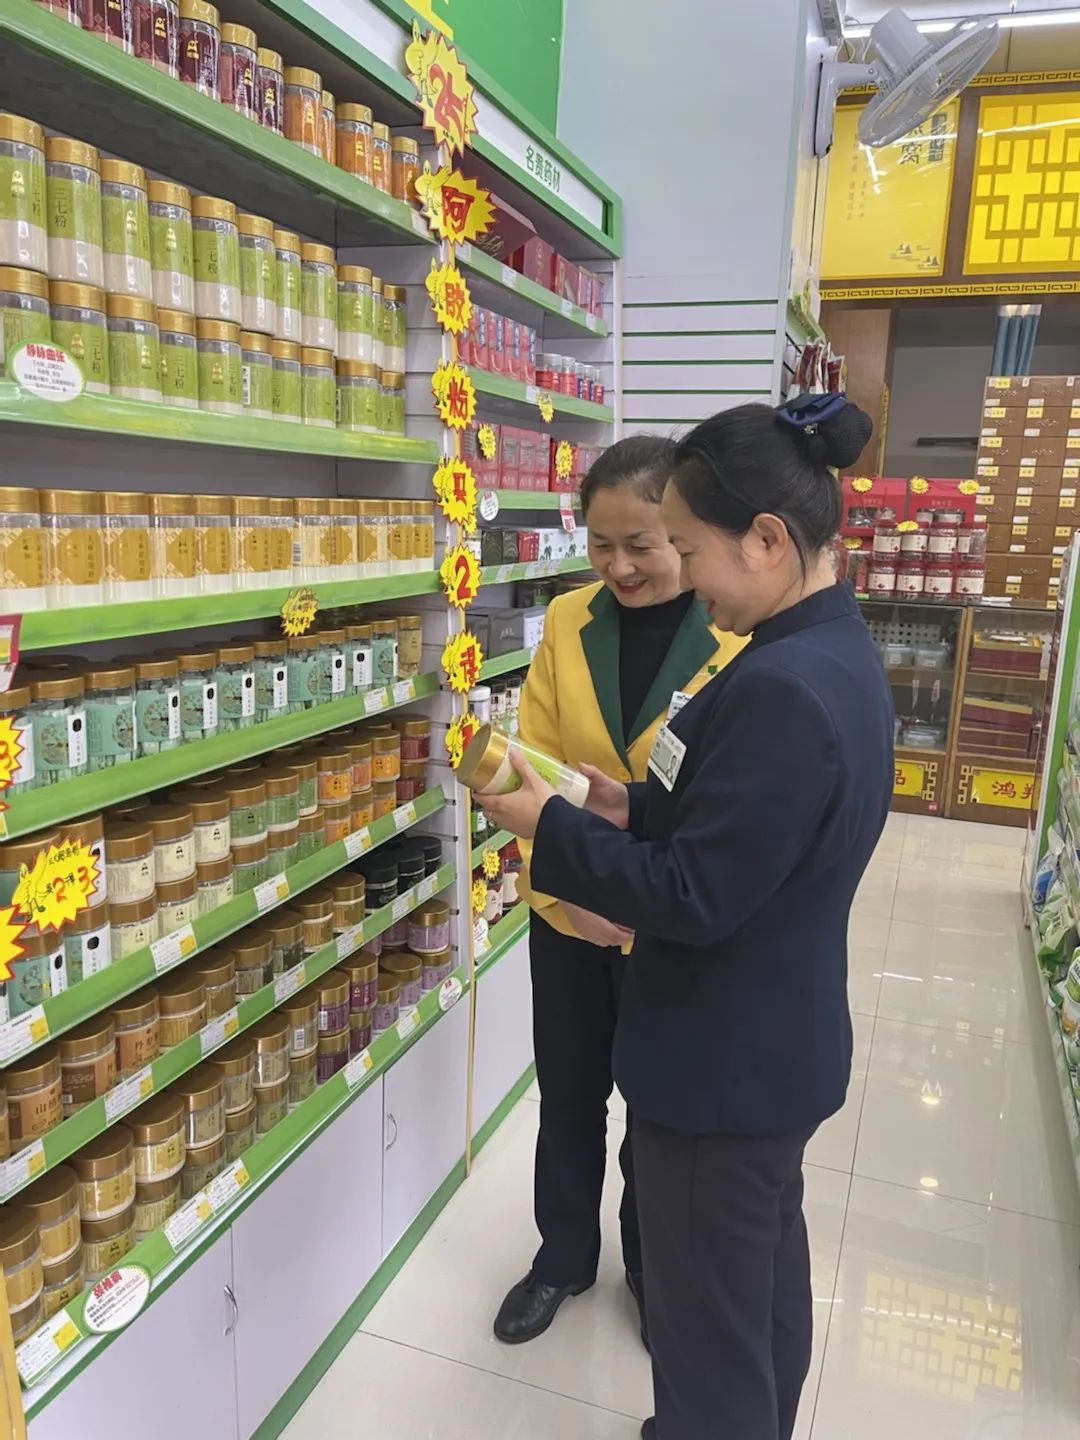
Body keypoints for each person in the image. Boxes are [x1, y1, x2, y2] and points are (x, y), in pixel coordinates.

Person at [479, 396, 894, 1440]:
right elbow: (745, 829)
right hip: (771, 1048)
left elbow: (694, 896)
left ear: (766, 540)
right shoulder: (825, 647)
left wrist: (549, 825)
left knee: (707, 1336)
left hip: (720, 1064)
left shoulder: (781, 686)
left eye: (689, 549)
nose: (685, 577)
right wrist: (631, 807)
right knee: (755, 1294)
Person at [492, 436, 747, 1348]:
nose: (621, 566)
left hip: (668, 916)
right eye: (602, 544)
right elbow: (531, 762)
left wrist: (631, 891)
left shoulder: (735, 635)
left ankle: (648, 1265)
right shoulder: (568, 620)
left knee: (656, 1110)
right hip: (567, 910)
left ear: (682, 530)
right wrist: (566, 890)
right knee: (567, 1096)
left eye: (642, 543)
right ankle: (562, 1257)